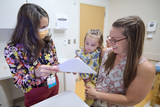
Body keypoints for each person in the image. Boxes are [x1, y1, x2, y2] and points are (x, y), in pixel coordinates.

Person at [85, 16, 156, 107]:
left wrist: (96, 94)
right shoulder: (106, 52)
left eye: (115, 39)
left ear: (131, 40)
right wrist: (75, 67)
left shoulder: (144, 68)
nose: (110, 42)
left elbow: (130, 100)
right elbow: (87, 57)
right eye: (110, 38)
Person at [4, 3, 60, 107]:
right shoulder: (12, 50)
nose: (45, 30)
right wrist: (35, 73)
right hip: (35, 91)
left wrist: (66, 66)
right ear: (28, 28)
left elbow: (55, 61)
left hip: (53, 84)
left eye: (46, 26)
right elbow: (19, 82)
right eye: (42, 27)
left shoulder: (48, 41)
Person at [75, 29, 104, 106]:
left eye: (93, 45)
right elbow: (75, 64)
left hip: (98, 78)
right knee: (90, 98)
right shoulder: (80, 53)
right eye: (87, 43)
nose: (89, 47)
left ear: (98, 44)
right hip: (89, 79)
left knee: (97, 98)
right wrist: (74, 68)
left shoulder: (99, 52)